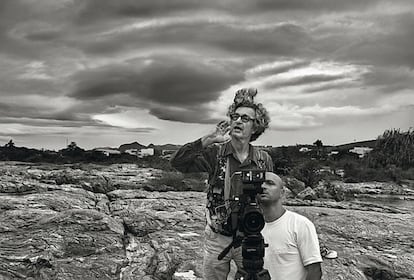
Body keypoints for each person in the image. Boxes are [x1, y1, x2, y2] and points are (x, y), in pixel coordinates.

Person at [171, 88, 273, 280]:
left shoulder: (263, 160)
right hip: (217, 238)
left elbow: (270, 199)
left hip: (249, 237)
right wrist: (209, 139)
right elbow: (178, 163)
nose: (238, 121)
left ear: (256, 126)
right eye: (235, 116)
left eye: (245, 118)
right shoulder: (215, 155)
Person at [257, 172, 323, 280]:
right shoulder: (251, 227)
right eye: (260, 183)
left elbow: (315, 270)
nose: (263, 187)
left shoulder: (300, 224)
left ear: (282, 193)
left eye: (270, 183)